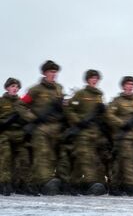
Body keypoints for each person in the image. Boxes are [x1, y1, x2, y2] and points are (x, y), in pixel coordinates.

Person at [21, 60, 66, 195]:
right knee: (42, 156)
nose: (54, 74)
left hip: (57, 127)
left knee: (55, 157)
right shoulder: (35, 90)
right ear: (44, 73)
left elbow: (62, 106)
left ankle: (43, 183)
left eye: (55, 72)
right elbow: (20, 105)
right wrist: (33, 118)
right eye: (51, 72)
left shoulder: (59, 88)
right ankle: (44, 183)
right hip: (41, 128)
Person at [63, 70, 108, 196]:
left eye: (96, 78)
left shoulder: (99, 95)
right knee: (85, 157)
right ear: (87, 79)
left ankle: (72, 184)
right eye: (92, 78)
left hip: (95, 131)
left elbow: (101, 114)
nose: (94, 80)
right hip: (82, 131)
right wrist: (78, 121)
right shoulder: (80, 94)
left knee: (83, 160)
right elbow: (69, 108)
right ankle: (91, 183)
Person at [106, 76, 133, 196]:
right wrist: (122, 123)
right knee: (128, 160)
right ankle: (130, 185)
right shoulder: (118, 101)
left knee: (124, 161)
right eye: (128, 84)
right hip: (123, 136)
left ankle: (117, 185)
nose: (131, 86)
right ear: (123, 86)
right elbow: (109, 115)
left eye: (132, 84)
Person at [0, 78, 33, 195]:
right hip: (5, 133)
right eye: (12, 86)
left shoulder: (21, 102)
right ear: (7, 88)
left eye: (17, 87)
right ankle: (4, 184)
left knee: (24, 158)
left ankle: (23, 184)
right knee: (5, 158)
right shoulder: (1, 101)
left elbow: (28, 117)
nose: (15, 88)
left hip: (20, 134)